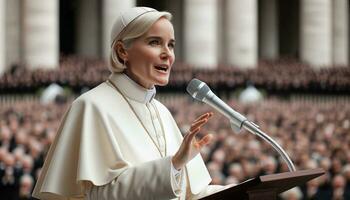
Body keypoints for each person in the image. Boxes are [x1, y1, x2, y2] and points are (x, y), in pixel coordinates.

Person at [32, 7, 227, 200]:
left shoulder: (162, 111)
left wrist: (250, 188)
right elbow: (98, 194)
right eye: (155, 42)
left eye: (171, 45)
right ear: (122, 50)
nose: (168, 54)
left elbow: (191, 195)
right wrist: (174, 165)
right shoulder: (91, 106)